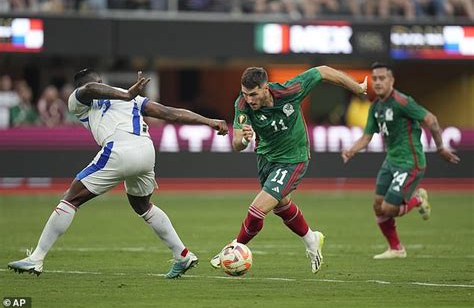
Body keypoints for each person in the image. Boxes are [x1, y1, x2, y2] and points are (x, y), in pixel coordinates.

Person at [8, 69, 228, 278]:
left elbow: (169, 113)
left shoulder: (90, 100)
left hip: (119, 149)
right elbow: (171, 113)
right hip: (146, 150)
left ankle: (36, 258)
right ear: (100, 82)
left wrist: (209, 121)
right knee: (142, 205)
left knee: (71, 198)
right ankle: (182, 255)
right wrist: (209, 121)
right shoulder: (108, 98)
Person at [210, 66, 367, 274]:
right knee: (282, 206)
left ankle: (232, 249)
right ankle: (312, 239)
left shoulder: (290, 90)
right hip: (266, 157)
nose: (249, 99)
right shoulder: (242, 104)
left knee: (257, 210)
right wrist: (245, 139)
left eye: (254, 94)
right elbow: (236, 144)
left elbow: (322, 71)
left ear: (266, 88)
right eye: (246, 94)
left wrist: (356, 87)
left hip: (294, 158)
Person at [342, 62, 460, 259]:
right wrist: (351, 150)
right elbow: (367, 136)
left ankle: (418, 199)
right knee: (378, 206)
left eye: (382, 78)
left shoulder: (402, 101)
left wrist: (440, 147)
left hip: (410, 162)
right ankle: (396, 249)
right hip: (391, 160)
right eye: (375, 79)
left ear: (391, 80)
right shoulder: (376, 107)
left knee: (389, 209)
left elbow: (431, 119)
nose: (378, 82)